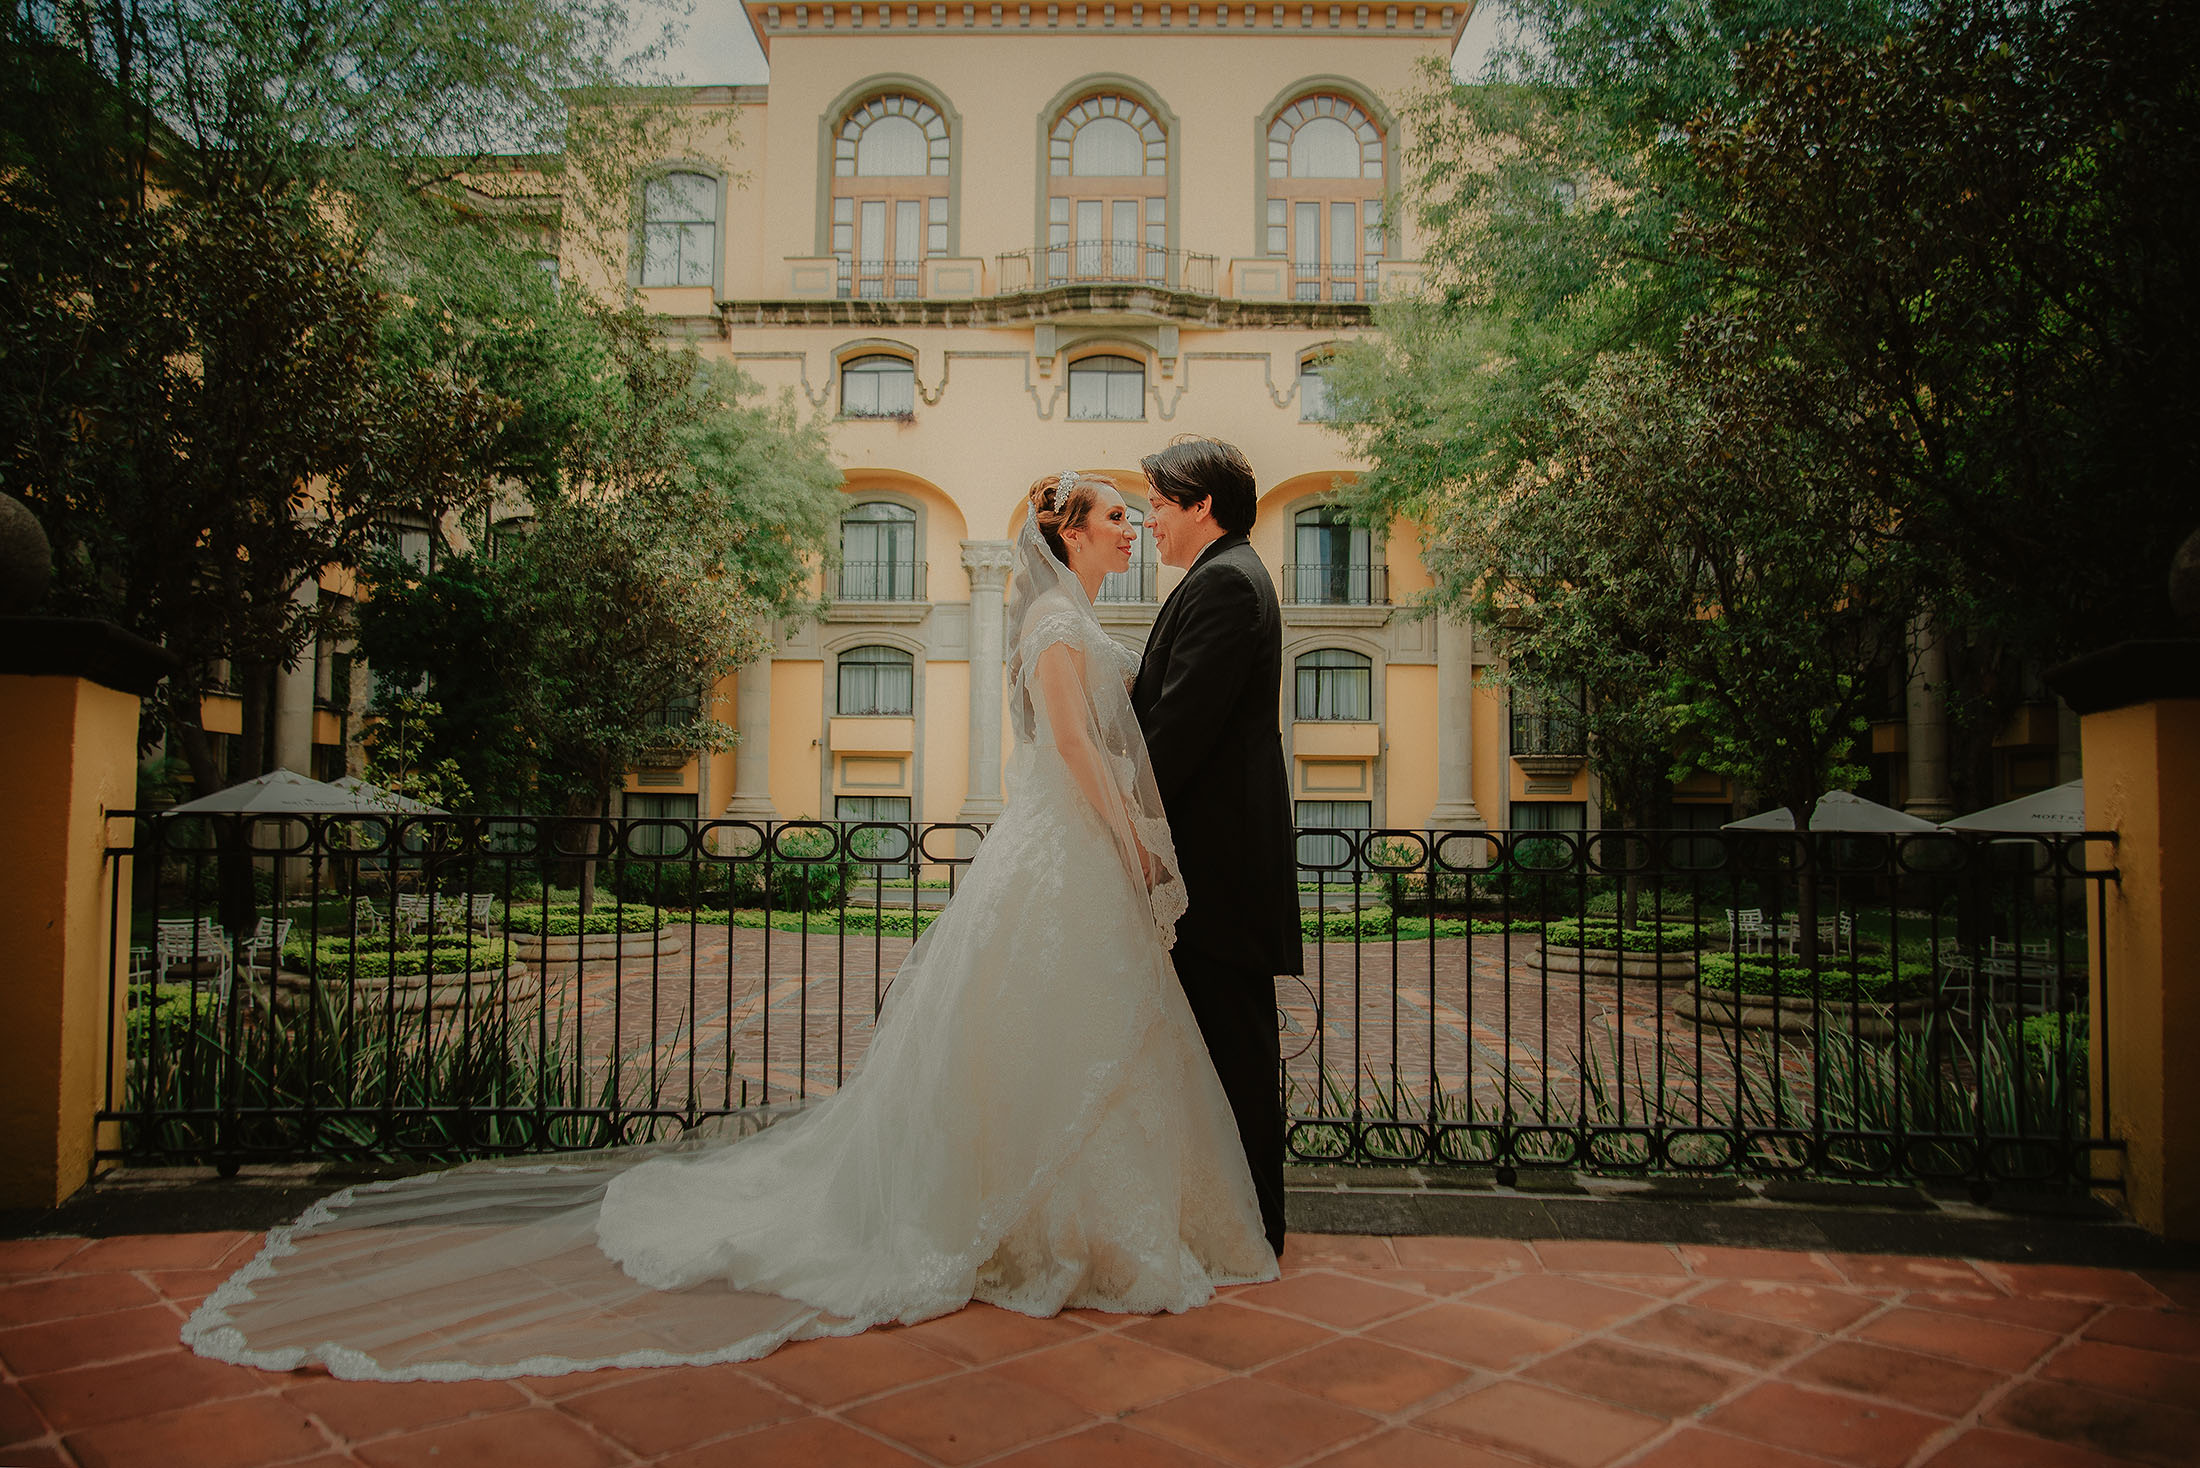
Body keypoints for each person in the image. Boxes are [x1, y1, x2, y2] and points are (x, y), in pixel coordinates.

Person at [181, 470, 1277, 1383]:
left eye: (1143, 513)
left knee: (1077, 1028)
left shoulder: (1080, 615)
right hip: (1070, 841)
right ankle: (1036, 1220)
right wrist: (1135, 840)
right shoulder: (1048, 617)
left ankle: (1088, 1216)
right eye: (1117, 517)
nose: (1135, 526)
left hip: (1071, 852)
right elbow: (1081, 754)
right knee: (1044, 1021)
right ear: (1067, 531)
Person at [1132, 436, 1302, 1256]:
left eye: (1160, 504)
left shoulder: (1228, 584)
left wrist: (1117, 818)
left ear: (1202, 503)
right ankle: (1231, 1218)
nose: (1149, 519)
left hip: (1219, 867)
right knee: (1213, 1048)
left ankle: (1255, 1227)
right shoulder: (1219, 576)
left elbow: (1179, 729)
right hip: (1212, 859)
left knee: (1233, 1053)